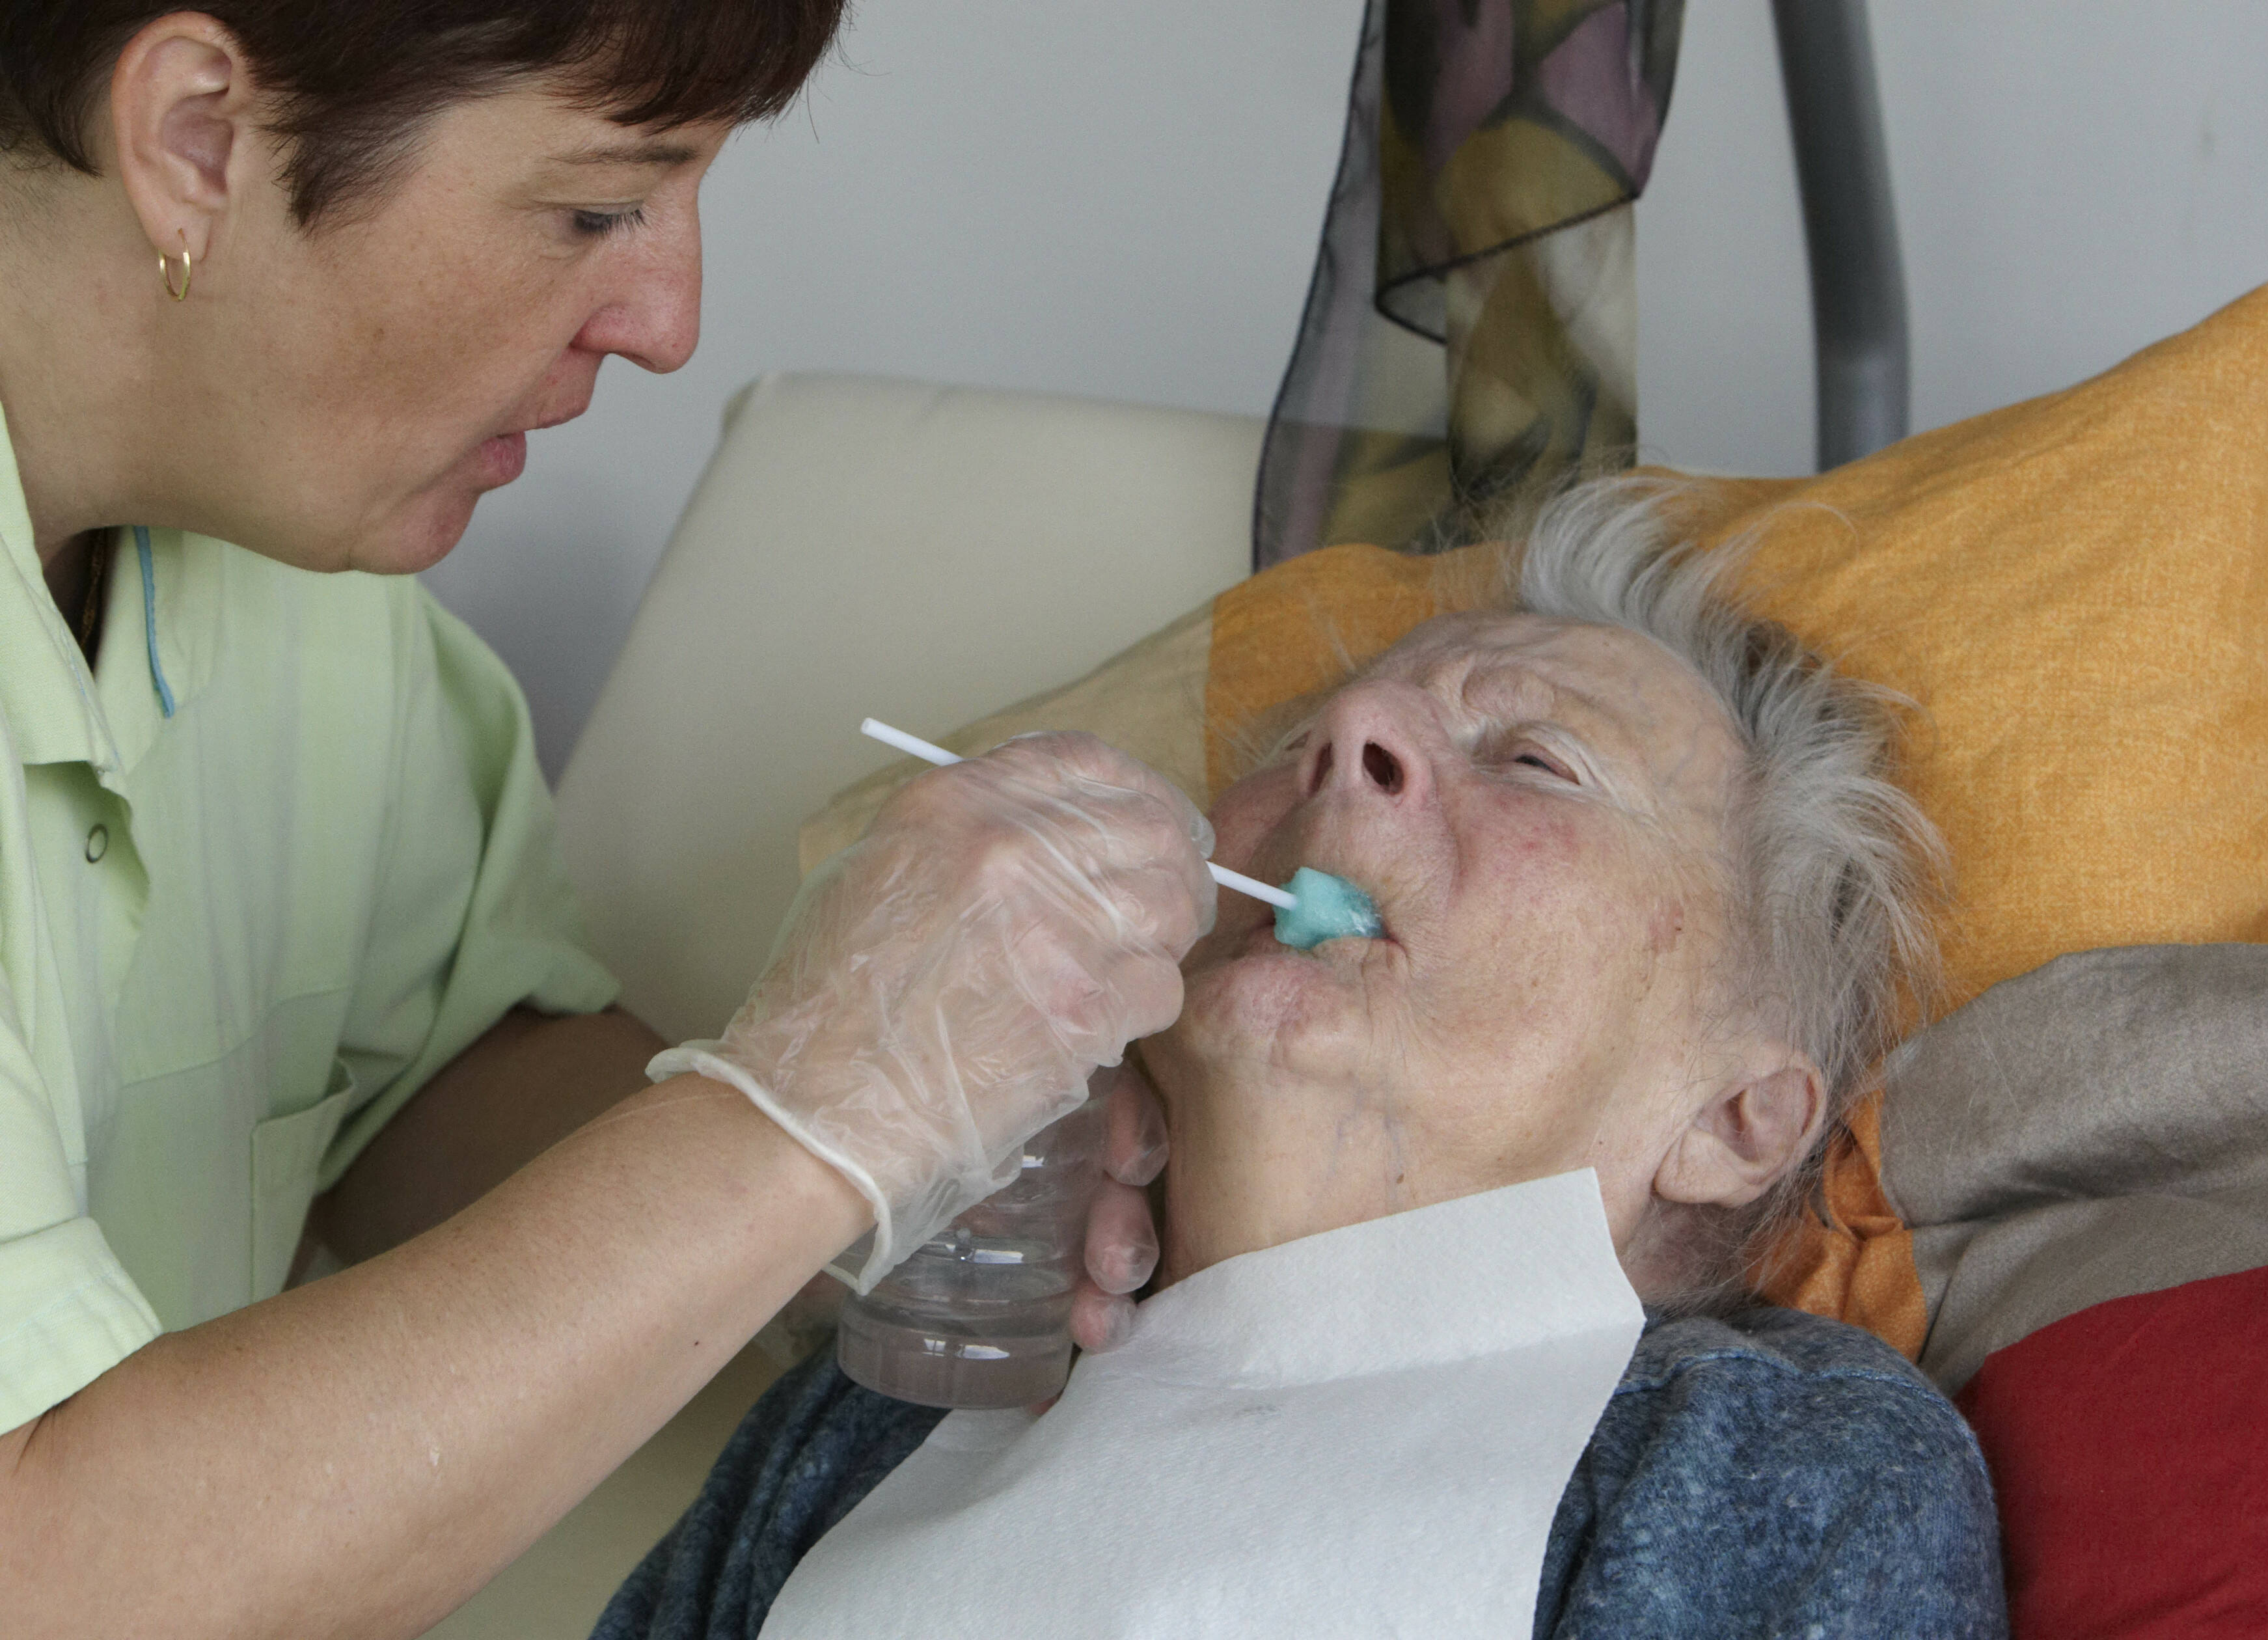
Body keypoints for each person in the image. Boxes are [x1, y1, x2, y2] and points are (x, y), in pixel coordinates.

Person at [0, 7, 1207, 1636]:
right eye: (592, 209)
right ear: (200, 136)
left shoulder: (297, 564)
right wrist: (805, 1114)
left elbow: (429, 1066)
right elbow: (52, 1576)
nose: (668, 322)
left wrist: (897, 1177)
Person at [594, 481, 2010, 1639]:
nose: (1351, 736)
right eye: (1300, 743)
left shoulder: (1775, 1463)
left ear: (1740, 1117)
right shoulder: (882, 1405)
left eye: (1534, 761)